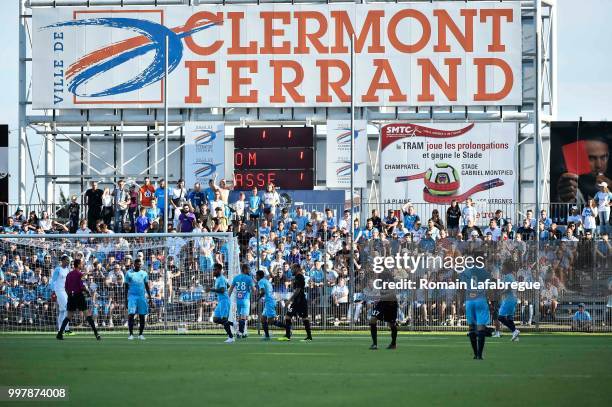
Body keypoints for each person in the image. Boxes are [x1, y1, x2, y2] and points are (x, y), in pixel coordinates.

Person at [56, 258, 101, 340]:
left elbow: (66, 287)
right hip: (79, 296)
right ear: (79, 265)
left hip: (71, 296)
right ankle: (96, 334)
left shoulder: (69, 274)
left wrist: (70, 295)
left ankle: (60, 333)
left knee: (68, 316)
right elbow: (82, 286)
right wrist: (87, 292)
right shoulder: (80, 274)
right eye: (81, 264)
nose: (82, 265)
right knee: (88, 315)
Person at [460, 258, 492, 359]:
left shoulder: (465, 271)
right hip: (481, 300)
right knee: (481, 328)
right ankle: (480, 354)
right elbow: (490, 285)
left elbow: (461, 288)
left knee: (472, 328)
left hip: (469, 301)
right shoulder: (484, 271)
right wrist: (490, 300)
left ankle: (475, 354)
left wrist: (461, 302)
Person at [277, 264, 312, 341]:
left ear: (297, 268)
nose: (291, 270)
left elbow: (298, 290)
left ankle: (308, 336)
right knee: (288, 316)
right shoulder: (297, 277)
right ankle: (288, 335)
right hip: (297, 301)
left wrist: (289, 300)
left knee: (303, 318)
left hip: (300, 301)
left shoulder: (299, 276)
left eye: (292, 268)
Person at [369, 270, 399, 350]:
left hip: (391, 304)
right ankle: (374, 344)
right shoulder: (379, 280)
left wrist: (380, 297)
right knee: (372, 319)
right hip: (382, 303)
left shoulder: (390, 280)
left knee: (391, 324)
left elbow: (392, 294)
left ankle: (393, 344)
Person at [124, 258, 153, 340]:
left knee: (142, 316)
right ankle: (131, 334)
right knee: (131, 315)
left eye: (140, 264)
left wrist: (150, 298)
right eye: (137, 264)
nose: (139, 266)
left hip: (141, 297)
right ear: (134, 264)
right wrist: (125, 300)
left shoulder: (144, 273)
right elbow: (126, 287)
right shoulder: (129, 273)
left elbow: (147, 286)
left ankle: (140, 334)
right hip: (132, 297)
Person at [209, 263, 234, 343]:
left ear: (219, 270)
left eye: (215, 270)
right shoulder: (219, 279)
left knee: (224, 319)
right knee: (215, 319)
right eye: (213, 269)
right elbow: (228, 285)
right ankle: (234, 324)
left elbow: (223, 290)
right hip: (221, 301)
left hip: (224, 301)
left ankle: (231, 337)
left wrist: (211, 289)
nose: (214, 271)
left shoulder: (221, 279)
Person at [228, 263, 255, 339]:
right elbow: (253, 289)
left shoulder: (236, 278)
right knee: (243, 317)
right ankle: (240, 332)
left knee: (242, 317)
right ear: (245, 269)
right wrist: (255, 287)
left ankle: (243, 332)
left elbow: (231, 289)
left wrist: (227, 297)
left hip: (238, 300)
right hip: (245, 300)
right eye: (248, 269)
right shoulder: (249, 278)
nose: (249, 270)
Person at [497, 261, 520, 341]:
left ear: (506, 268)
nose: (502, 269)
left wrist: (501, 292)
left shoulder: (507, 276)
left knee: (500, 317)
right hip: (513, 299)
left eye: (503, 267)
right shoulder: (512, 276)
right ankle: (515, 335)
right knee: (510, 319)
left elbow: (509, 287)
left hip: (509, 300)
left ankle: (515, 330)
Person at [51, 254, 72, 335]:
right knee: (67, 308)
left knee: (62, 311)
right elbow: (53, 281)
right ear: (62, 261)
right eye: (67, 261)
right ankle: (65, 329)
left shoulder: (67, 270)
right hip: (58, 291)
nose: (68, 262)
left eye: (69, 261)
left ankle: (61, 329)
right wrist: (53, 291)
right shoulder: (58, 269)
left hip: (65, 291)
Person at [256, 269, 278, 340]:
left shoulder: (261, 281)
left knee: (271, 321)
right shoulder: (266, 281)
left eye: (256, 275)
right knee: (263, 319)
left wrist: (258, 298)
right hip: (269, 301)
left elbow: (263, 292)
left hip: (269, 302)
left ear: (259, 276)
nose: (256, 277)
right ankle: (267, 336)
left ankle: (288, 328)